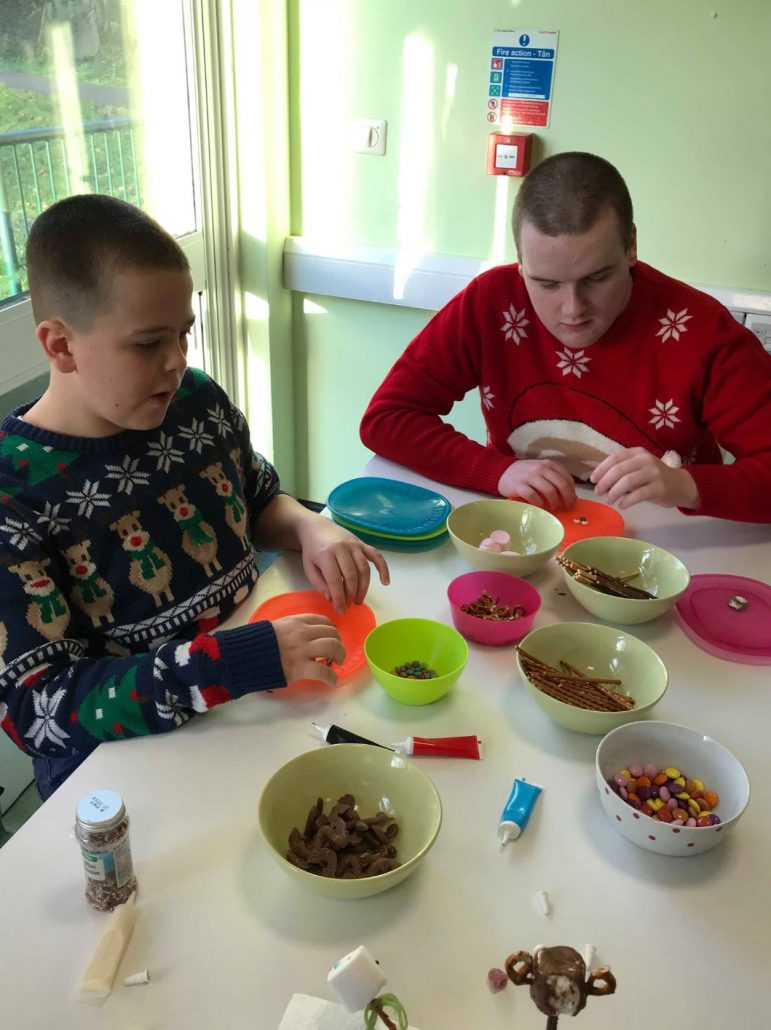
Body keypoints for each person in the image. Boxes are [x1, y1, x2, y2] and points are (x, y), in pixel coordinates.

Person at [0, 194, 389, 799]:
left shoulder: (195, 403)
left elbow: (258, 498)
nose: (177, 362)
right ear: (60, 346)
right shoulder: (13, 492)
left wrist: (313, 527)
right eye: (147, 343)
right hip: (121, 773)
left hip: (256, 705)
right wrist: (232, 662)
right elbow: (39, 709)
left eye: (184, 333)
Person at [360, 152, 771, 523]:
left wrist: (684, 486)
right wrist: (496, 470)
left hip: (667, 537)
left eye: (597, 278)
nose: (573, 309)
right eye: (546, 283)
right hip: (528, 527)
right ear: (520, 263)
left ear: (631, 246)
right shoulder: (490, 302)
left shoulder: (703, 331)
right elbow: (387, 419)